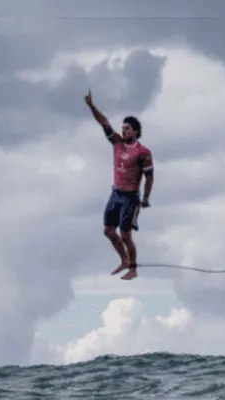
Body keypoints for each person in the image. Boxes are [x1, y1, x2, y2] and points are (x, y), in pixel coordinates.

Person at [84, 89, 154, 280]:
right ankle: (123, 260)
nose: (124, 131)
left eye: (128, 129)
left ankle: (133, 268)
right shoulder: (117, 143)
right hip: (116, 194)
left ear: (136, 132)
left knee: (125, 234)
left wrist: (146, 199)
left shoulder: (143, 152)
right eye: (123, 128)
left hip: (130, 198)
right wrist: (92, 106)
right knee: (108, 231)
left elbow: (149, 177)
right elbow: (104, 123)